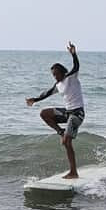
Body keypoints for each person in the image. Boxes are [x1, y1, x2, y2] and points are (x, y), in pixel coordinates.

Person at [25, 42, 85, 179]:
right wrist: (34, 100)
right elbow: (46, 93)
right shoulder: (58, 85)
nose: (55, 77)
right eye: (53, 75)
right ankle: (60, 131)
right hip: (68, 112)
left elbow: (76, 66)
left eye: (57, 74)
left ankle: (74, 172)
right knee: (44, 113)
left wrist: (74, 54)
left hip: (77, 114)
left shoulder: (71, 77)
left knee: (66, 142)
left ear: (62, 72)